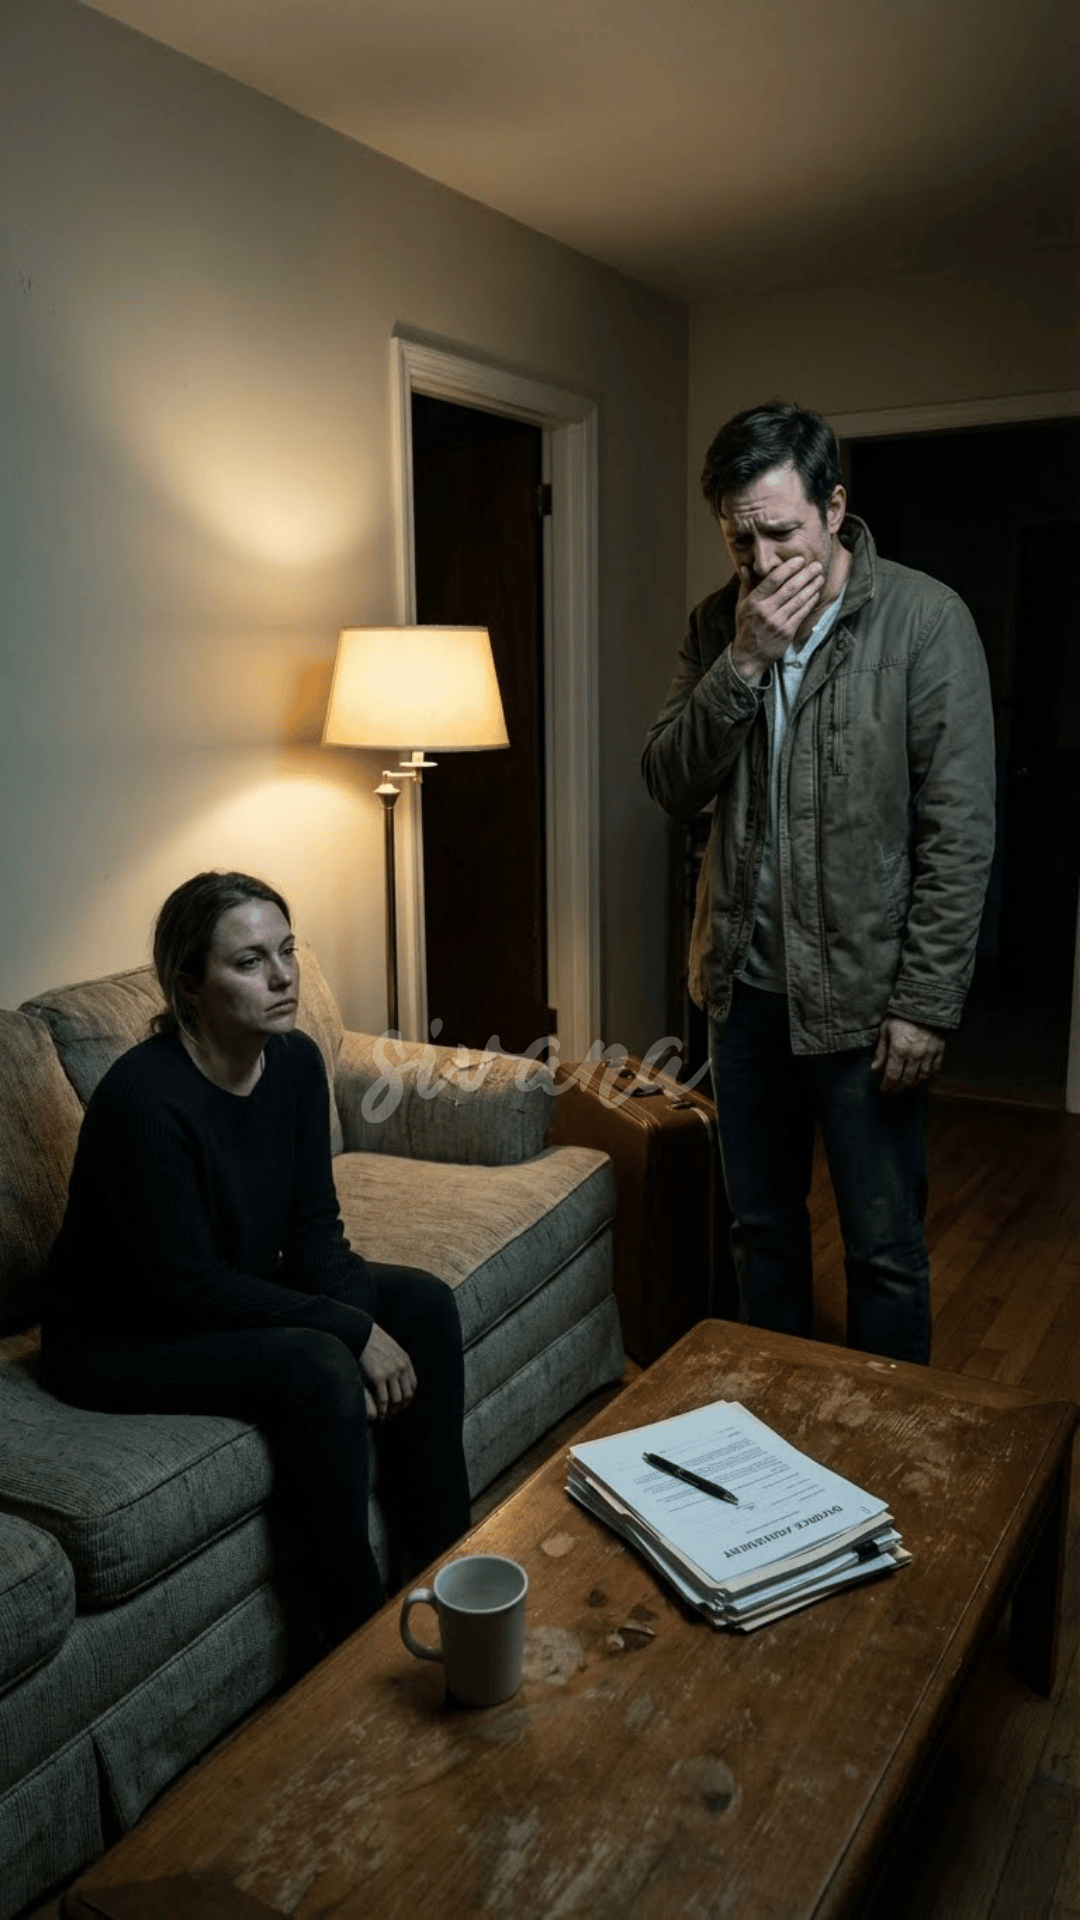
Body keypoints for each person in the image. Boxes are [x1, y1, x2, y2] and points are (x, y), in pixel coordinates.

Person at [643, 402, 996, 1365]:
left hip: (867, 1003)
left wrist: (924, 1004)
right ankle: (773, 1425)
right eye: (739, 539)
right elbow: (671, 783)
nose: (760, 562)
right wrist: (744, 660)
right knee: (760, 1231)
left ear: (834, 508)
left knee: (884, 1251)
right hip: (744, 995)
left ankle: (891, 1430)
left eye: (780, 532)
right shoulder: (717, 623)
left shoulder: (926, 621)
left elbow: (960, 833)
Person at [41, 870, 472, 1647]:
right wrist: (348, 1331)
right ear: (189, 986)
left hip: (223, 1287)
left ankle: (447, 1574)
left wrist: (362, 1320)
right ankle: (351, 1641)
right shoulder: (144, 1099)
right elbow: (185, 1287)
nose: (282, 977)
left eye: (287, 951)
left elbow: (314, 1233)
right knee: (320, 1363)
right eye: (249, 961)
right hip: (120, 1336)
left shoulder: (295, 1062)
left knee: (425, 1306)